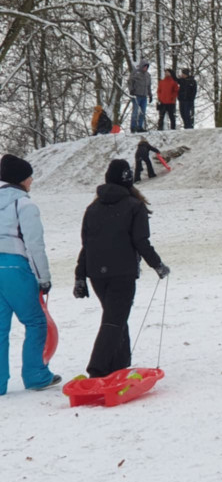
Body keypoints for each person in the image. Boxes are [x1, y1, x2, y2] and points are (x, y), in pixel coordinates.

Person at [73, 159, 170, 378]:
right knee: (114, 320)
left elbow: (86, 245)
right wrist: (158, 265)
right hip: (122, 272)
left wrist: (80, 276)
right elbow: (141, 241)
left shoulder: (93, 208)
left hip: (97, 274)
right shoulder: (135, 206)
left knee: (116, 316)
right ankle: (97, 370)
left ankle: (120, 364)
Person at [0, 154, 60, 394]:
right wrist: (43, 278)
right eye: (29, 176)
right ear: (20, 180)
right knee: (35, 321)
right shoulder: (24, 204)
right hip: (16, 267)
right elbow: (35, 245)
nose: (32, 180)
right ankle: (36, 374)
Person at [128, 59, 152, 133]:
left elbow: (149, 86)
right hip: (136, 95)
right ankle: (133, 127)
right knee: (135, 111)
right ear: (142, 66)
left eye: (147, 67)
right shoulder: (135, 73)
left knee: (143, 112)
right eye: (144, 66)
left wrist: (150, 94)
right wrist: (131, 90)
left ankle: (140, 127)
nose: (145, 68)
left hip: (144, 96)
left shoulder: (148, 75)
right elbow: (130, 82)